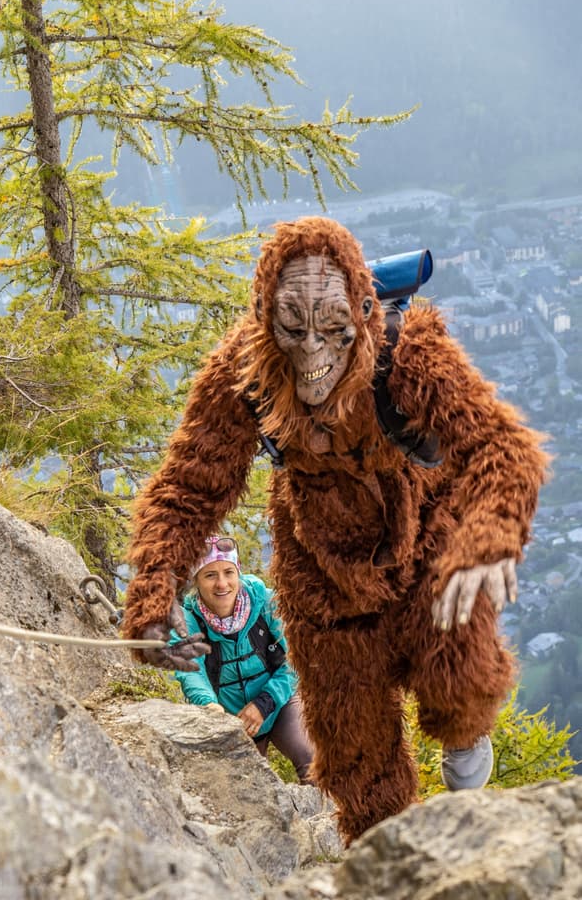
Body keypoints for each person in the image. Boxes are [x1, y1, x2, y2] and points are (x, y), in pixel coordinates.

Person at [122, 216, 547, 844]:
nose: (313, 355)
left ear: (365, 314)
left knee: (459, 678)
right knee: (354, 756)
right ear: (265, 320)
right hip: (322, 576)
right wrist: (153, 594)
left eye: (333, 331)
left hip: (428, 539)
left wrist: (489, 539)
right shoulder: (245, 371)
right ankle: (387, 861)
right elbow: (189, 486)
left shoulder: (408, 350)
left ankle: (465, 738)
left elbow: (499, 446)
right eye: (292, 330)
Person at [171, 534, 314, 784]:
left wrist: (264, 703)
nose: (222, 584)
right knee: (249, 785)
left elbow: (298, 656)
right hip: (231, 717)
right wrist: (209, 707)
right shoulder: (187, 620)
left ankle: (323, 810)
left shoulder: (266, 602)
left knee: (309, 757)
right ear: (196, 581)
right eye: (210, 575)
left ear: (238, 572)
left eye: (228, 572)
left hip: (280, 703)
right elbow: (191, 670)